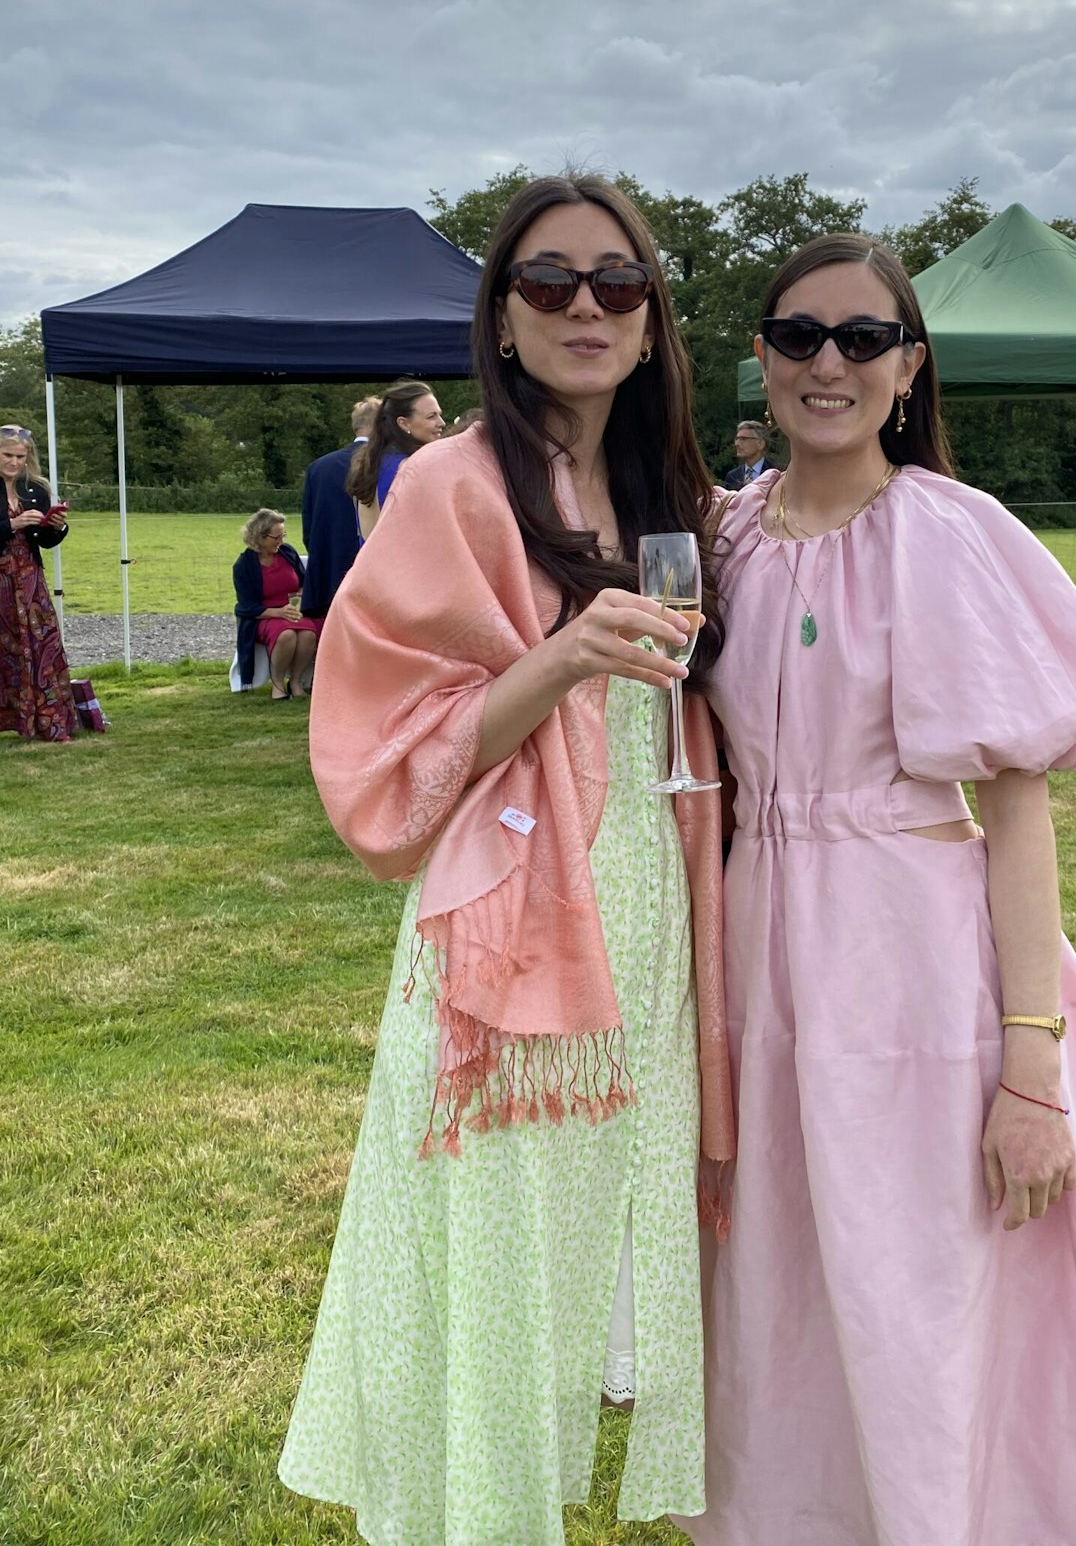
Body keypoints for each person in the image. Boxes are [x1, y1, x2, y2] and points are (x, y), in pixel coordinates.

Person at [677, 236, 1076, 1546]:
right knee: (780, 1299)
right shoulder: (714, 537)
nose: (828, 364)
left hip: (914, 975)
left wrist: (1031, 1069)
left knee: (921, 1307)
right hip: (756, 964)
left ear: (909, 368)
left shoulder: (954, 538)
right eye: (799, 337)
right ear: (763, 359)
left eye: (861, 339)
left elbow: (1017, 813)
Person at [280, 174, 735, 1546]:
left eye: (616, 282)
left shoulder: (674, 487)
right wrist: (561, 660)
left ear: (654, 321)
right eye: (549, 282)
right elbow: (381, 746)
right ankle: (473, 1513)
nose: (585, 306)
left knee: (595, 1229)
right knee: (488, 1237)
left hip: (652, 901)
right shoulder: (452, 485)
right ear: (505, 318)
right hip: (512, 921)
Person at [0, 422, 78, 743]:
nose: (14, 462)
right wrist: (13, 523)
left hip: (30, 577)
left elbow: (44, 540)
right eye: (7, 455)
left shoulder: (35, 488)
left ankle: (49, 721)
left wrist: (56, 526)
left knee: (42, 644)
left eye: (20, 456)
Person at [299, 395, 379, 618]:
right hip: (372, 573)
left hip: (329, 569)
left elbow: (309, 526)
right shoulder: (384, 463)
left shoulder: (319, 467)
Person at [233, 509, 323, 700]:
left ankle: (297, 682)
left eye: (283, 536)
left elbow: (303, 581)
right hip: (264, 615)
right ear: (260, 537)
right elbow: (246, 606)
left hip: (292, 611)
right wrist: (278, 612)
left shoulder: (287, 552)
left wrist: (301, 595)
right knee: (286, 635)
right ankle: (278, 682)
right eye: (276, 537)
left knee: (308, 633)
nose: (280, 541)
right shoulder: (244, 566)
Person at [346, 382, 447, 541]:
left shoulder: (371, 462)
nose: (441, 423)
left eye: (439, 414)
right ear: (403, 423)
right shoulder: (411, 468)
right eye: (431, 416)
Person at [721, 418, 779, 490]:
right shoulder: (732, 476)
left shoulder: (776, 475)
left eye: (743, 439)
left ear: (760, 444)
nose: (737, 444)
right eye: (737, 439)